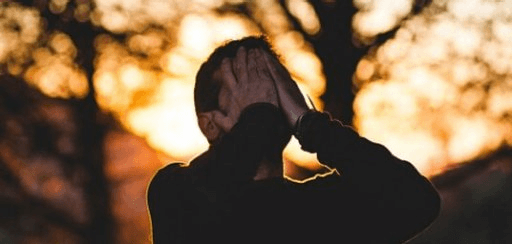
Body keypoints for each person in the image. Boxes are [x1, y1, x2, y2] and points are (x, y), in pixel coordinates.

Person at [147, 36, 441, 244]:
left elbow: (416, 201)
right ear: (210, 125)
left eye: (275, 83)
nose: (268, 98)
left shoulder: (325, 207)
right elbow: (214, 192)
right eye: (250, 86)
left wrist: (308, 122)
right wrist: (259, 115)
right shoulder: (177, 193)